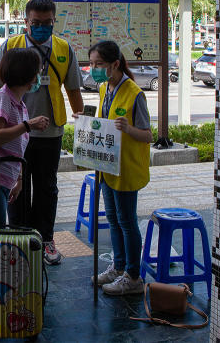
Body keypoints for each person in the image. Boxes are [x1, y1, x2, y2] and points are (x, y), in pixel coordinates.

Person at [0, 0, 85, 265]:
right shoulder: (11, 45)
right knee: (15, 188)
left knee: (46, 188)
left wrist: (85, 125)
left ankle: (45, 240)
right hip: (15, 133)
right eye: (36, 23)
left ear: (54, 21)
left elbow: (74, 89)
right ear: (26, 21)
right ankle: (19, 239)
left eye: (47, 23)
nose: (41, 28)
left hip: (50, 132)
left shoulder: (64, 48)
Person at [86, 41, 152, 296]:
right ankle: (119, 266)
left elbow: (147, 135)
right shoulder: (105, 88)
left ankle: (133, 277)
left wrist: (128, 129)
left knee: (127, 221)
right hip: (107, 167)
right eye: (92, 64)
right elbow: (104, 124)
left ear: (115, 64)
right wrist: (86, 122)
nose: (94, 69)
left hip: (127, 168)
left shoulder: (135, 93)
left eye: (99, 64)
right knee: (113, 219)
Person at [0, 48, 50, 230]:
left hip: (2, 178)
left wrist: (19, 178)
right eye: (37, 70)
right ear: (26, 73)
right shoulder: (2, 98)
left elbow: (17, 145)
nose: (39, 75)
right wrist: (28, 125)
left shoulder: (18, 102)